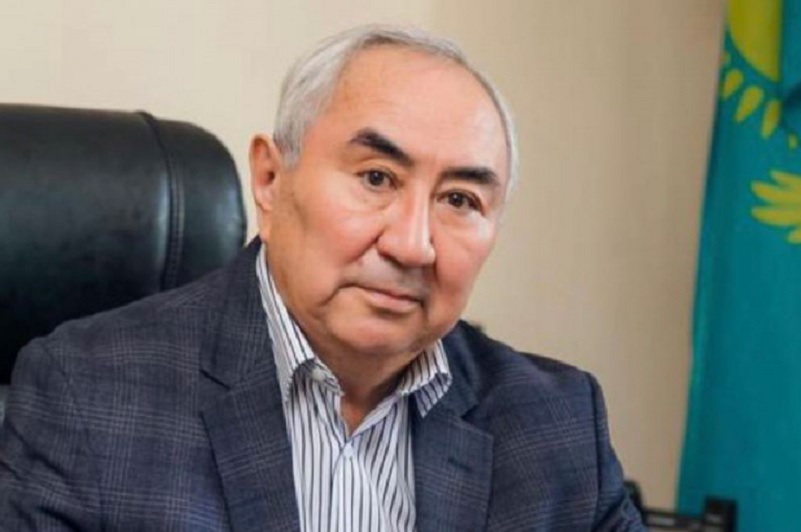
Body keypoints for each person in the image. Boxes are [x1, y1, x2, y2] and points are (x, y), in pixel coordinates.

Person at [0, 25, 645, 531]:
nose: (412, 244)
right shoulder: (89, 393)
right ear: (270, 180)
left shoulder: (556, 426)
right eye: (376, 178)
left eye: (459, 200)